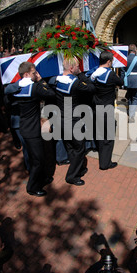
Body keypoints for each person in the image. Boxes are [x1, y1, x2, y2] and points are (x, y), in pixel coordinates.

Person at [4, 62, 55, 197]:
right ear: (26, 74)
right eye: (34, 73)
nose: (35, 74)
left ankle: (42, 178)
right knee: (38, 160)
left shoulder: (16, 89)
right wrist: (40, 80)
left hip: (25, 127)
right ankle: (32, 187)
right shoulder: (34, 88)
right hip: (32, 131)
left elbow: (7, 94)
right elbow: (50, 93)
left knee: (36, 157)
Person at [49, 57, 95, 186]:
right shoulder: (75, 83)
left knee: (70, 146)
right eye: (77, 67)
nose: (78, 68)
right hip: (73, 121)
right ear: (71, 68)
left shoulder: (56, 80)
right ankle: (72, 176)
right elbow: (91, 88)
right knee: (80, 148)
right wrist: (81, 74)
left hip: (61, 119)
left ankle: (79, 168)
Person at [90, 51, 123, 170]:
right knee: (108, 137)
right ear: (109, 62)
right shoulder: (111, 75)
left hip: (96, 107)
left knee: (100, 133)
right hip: (107, 109)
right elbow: (121, 82)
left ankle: (101, 152)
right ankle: (105, 163)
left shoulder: (93, 74)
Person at [120, 44, 137, 123]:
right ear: (135, 51)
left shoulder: (125, 59)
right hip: (136, 80)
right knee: (135, 98)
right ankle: (131, 116)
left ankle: (130, 112)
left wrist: (122, 82)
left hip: (128, 81)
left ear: (129, 51)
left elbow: (122, 72)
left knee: (130, 97)